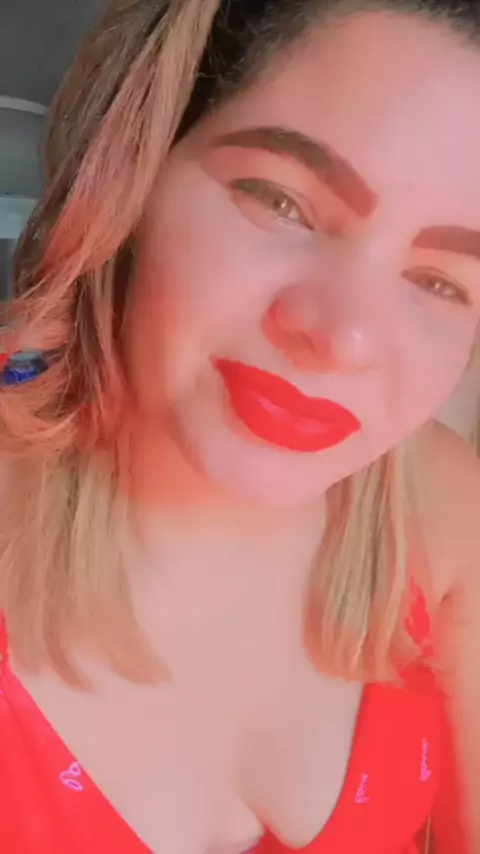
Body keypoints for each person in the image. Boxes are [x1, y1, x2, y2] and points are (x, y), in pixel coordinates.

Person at [1, 0, 480, 850]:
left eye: (440, 281)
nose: (344, 338)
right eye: (281, 201)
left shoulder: (441, 508)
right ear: (139, 165)